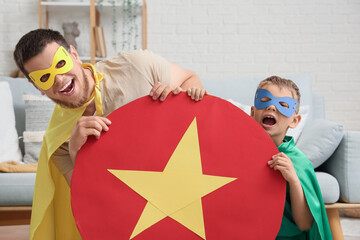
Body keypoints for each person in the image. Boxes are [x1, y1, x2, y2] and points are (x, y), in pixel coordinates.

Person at [13, 28, 204, 240]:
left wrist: (179, 98)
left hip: (183, 193)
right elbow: (90, 200)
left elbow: (190, 79)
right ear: (36, 86)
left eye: (60, 64)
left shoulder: (135, 66)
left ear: (74, 55)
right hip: (126, 219)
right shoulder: (59, 140)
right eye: (45, 77)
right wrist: (76, 152)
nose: (59, 80)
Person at [250, 75, 332, 239]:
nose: (272, 107)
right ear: (252, 112)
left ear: (294, 121)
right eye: (265, 100)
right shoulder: (242, 151)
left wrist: (293, 179)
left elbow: (305, 224)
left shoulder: (298, 162)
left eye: (283, 105)